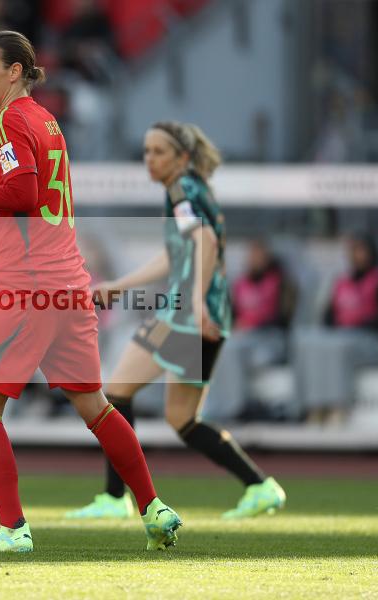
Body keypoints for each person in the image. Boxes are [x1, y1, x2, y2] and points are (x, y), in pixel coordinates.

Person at [0, 30, 181, 552]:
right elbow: (32, 202)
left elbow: (21, 193)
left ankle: (13, 530)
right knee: (94, 405)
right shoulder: (46, 119)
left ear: (15, 71)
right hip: (68, 282)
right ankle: (153, 507)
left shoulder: (8, 119)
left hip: (25, 285)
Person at [64, 122, 286, 523]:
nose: (150, 159)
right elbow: (178, 253)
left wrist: (196, 302)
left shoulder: (182, 190)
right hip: (201, 312)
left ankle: (115, 497)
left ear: (182, 158)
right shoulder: (192, 189)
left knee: (115, 392)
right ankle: (260, 485)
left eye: (159, 152)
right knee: (182, 420)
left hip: (186, 314)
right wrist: (124, 285)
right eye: (146, 151)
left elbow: (206, 242)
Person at [294, 234, 378, 425]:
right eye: (352, 251)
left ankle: (337, 406)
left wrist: (357, 323)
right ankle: (313, 406)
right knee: (311, 342)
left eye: (360, 250)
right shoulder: (341, 281)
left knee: (338, 346)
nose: (355, 256)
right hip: (342, 334)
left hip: (370, 339)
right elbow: (328, 317)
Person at [202, 238, 296, 421]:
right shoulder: (241, 283)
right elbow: (232, 315)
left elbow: (284, 319)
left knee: (231, 349)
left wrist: (254, 324)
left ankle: (234, 407)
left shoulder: (281, 282)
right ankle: (211, 406)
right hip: (245, 337)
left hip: (271, 338)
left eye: (258, 254)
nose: (253, 259)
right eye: (251, 255)